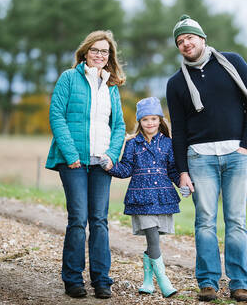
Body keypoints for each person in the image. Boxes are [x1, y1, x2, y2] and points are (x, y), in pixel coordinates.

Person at [166, 15, 247, 303]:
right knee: (205, 221)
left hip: (236, 155)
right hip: (200, 158)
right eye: (180, 42)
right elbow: (179, 131)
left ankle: (239, 284)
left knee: (236, 220)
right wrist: (182, 171)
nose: (186, 44)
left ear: (202, 37)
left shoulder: (232, 62)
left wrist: (246, 147)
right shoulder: (175, 83)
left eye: (189, 38)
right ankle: (207, 283)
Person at [45, 30, 126, 299]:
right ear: (85, 52)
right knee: (78, 220)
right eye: (96, 50)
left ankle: (102, 280)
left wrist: (113, 155)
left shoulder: (111, 86)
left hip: (101, 163)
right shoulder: (69, 78)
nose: (100, 55)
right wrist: (71, 154)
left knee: (100, 221)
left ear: (109, 57)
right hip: (75, 163)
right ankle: (72, 278)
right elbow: (56, 115)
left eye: (105, 52)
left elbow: (119, 126)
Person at [101, 97, 182, 298]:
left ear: (160, 119)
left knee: (153, 240)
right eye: (145, 119)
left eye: (154, 118)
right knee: (153, 239)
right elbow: (127, 168)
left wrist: (183, 182)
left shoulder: (168, 143)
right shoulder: (133, 143)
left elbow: (172, 169)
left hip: (163, 197)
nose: (150, 123)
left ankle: (147, 281)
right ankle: (164, 281)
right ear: (140, 122)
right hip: (141, 198)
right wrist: (111, 167)